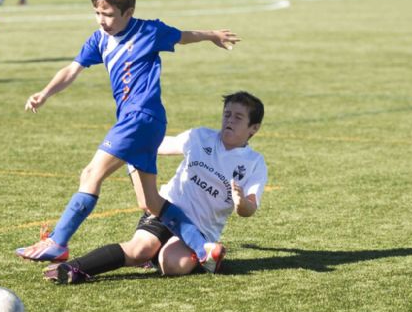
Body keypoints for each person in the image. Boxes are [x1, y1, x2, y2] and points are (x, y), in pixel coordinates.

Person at [15, 0, 240, 272]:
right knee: (150, 202)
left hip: (140, 117)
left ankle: (58, 242)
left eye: (107, 14)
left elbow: (184, 36)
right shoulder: (99, 40)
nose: (100, 20)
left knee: (91, 174)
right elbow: (72, 69)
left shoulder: (149, 31)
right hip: (145, 123)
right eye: (97, 12)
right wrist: (44, 93)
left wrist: (212, 35)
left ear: (128, 12)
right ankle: (204, 249)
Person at [43, 91, 267, 283]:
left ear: (253, 128)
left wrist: (241, 204)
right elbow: (157, 144)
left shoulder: (255, 163)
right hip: (164, 209)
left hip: (199, 229)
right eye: (227, 114)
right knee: (140, 249)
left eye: (238, 117)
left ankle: (193, 254)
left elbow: (250, 208)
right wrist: (130, 140)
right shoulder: (199, 137)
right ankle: (73, 268)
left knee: (172, 265)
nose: (230, 120)